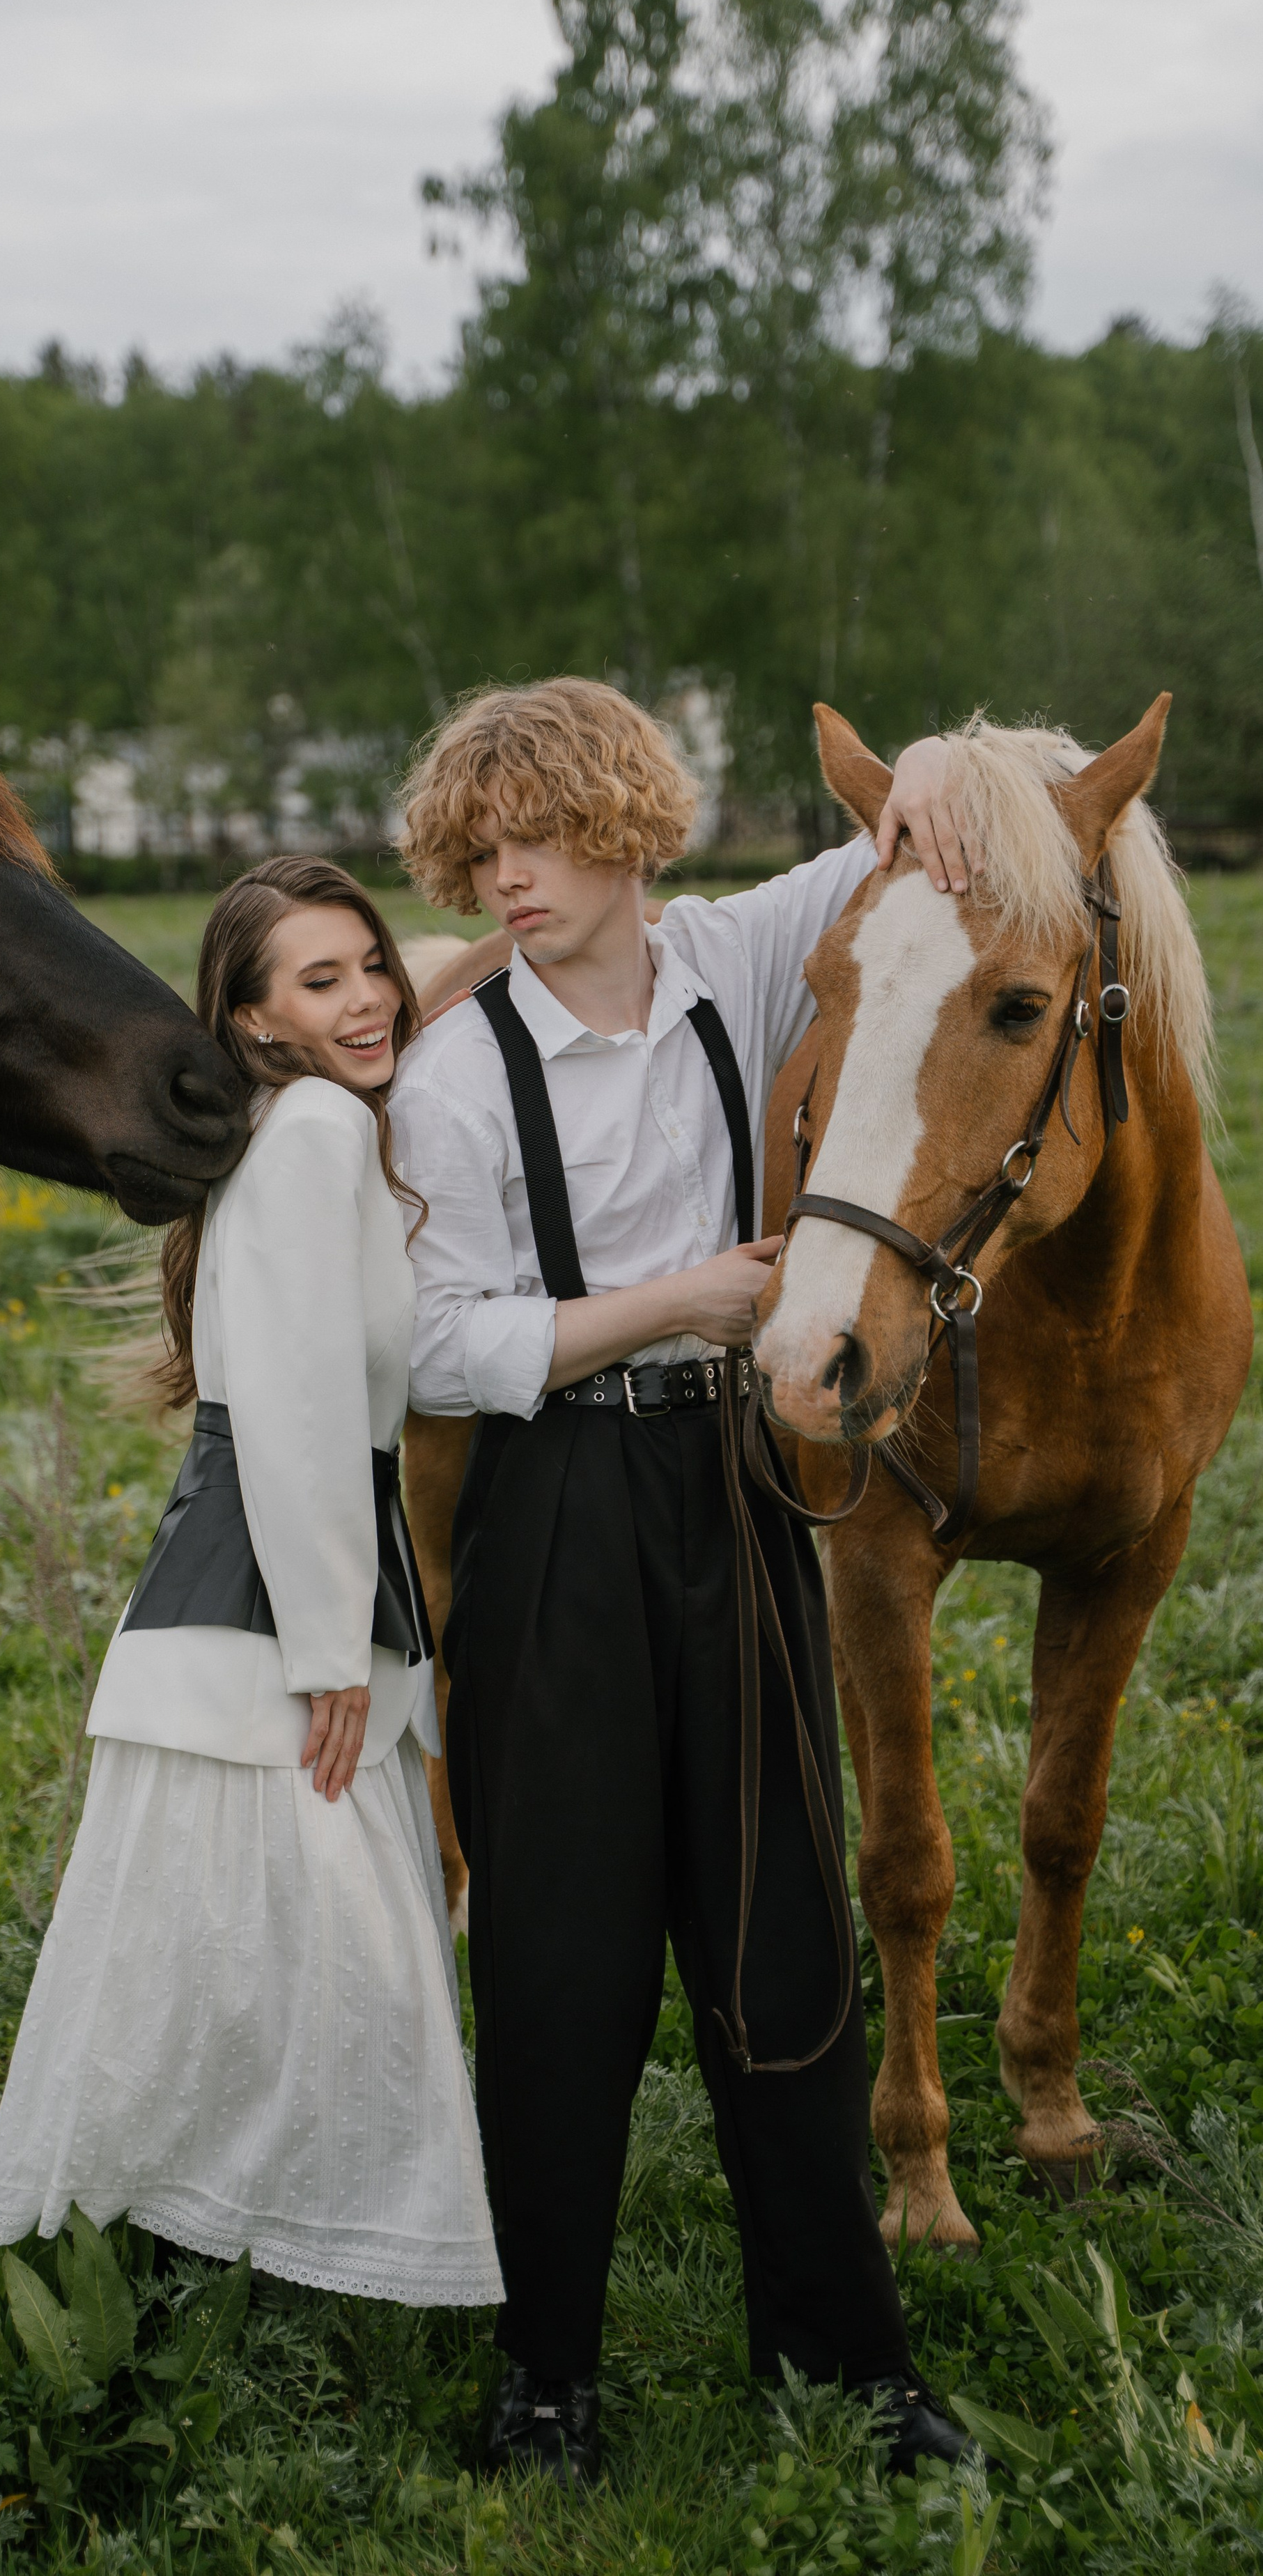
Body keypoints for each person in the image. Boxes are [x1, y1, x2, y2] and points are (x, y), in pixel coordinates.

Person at [389, 679, 975, 2483]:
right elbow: (428, 1347)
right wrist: (679, 1304)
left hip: (731, 1494)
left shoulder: (732, 957)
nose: (506, 881)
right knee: (559, 1958)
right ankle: (547, 2380)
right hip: (554, 1504)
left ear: (628, 830)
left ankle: (844, 2360)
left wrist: (949, 796)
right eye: (476, 854)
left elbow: (907, 831)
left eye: (537, 839)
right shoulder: (456, 1073)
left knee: (779, 1922)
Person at [0, 855, 502, 2311]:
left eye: (370, 966)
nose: (368, 998)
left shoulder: (293, 1109)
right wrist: (329, 1651)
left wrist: (466, 954)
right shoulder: (323, 1125)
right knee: (329, 1965)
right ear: (253, 1022)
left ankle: (182, 2252)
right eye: (317, 982)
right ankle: (262, 2259)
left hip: (264, 1577)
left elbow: (429, 966)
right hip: (272, 1600)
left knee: (219, 1953)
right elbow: (287, 1402)